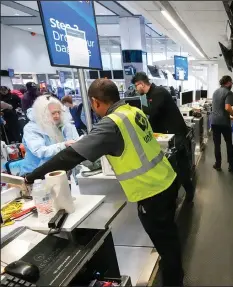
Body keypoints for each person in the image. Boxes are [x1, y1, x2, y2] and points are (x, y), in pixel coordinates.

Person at [24, 79, 184, 286]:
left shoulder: (111, 124)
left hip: (151, 191)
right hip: (166, 178)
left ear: (95, 102)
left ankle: (174, 281)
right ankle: (175, 272)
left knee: (166, 243)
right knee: (170, 237)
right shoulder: (132, 111)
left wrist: (31, 177)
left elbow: (71, 156)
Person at [132, 72, 195, 203]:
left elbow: (153, 113)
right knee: (174, 166)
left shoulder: (158, 92)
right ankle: (179, 194)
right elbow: (156, 118)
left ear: (141, 84)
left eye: (135, 86)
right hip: (169, 134)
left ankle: (188, 193)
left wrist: (137, 110)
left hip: (176, 135)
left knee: (178, 166)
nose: (135, 90)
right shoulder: (151, 95)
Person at [20, 95, 79, 175]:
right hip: (34, 174)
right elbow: (40, 151)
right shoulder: (31, 129)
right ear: (42, 113)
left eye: (59, 112)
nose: (57, 116)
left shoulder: (59, 125)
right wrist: (63, 145)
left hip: (56, 171)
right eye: (53, 113)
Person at [211, 75, 233, 172]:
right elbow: (227, 107)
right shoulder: (228, 92)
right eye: (231, 82)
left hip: (214, 121)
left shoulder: (215, 92)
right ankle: (231, 165)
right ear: (228, 82)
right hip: (224, 122)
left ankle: (218, 164)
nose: (232, 84)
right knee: (228, 143)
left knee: (217, 144)